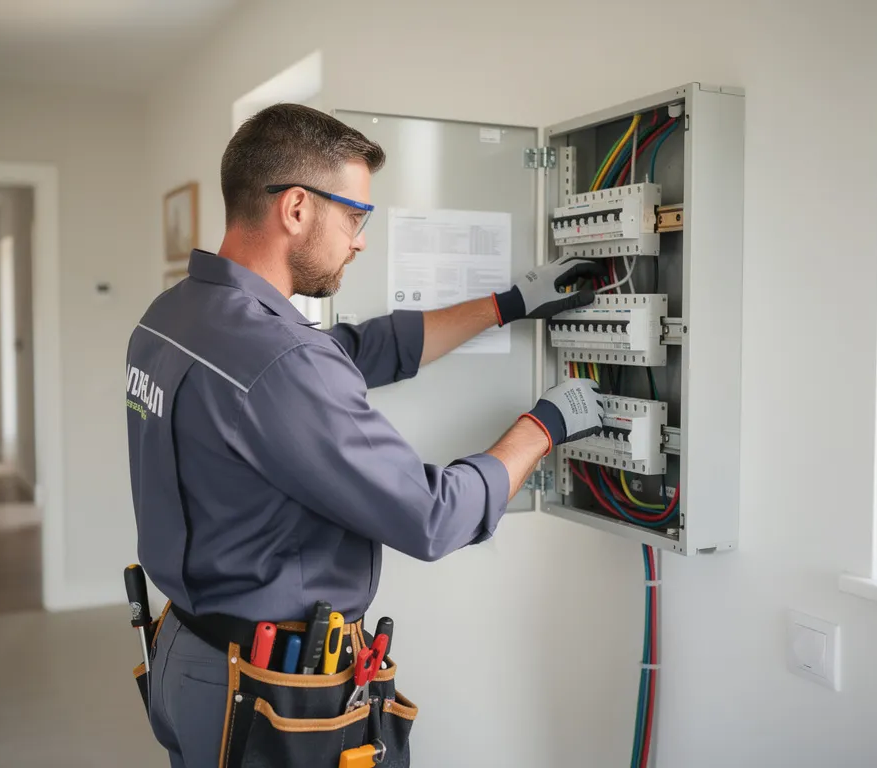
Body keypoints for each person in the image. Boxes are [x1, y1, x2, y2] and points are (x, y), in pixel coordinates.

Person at [125, 103, 606, 768]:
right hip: (268, 692)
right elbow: (432, 517)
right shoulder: (279, 360)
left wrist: (509, 304)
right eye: (355, 217)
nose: (360, 240)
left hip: (186, 652)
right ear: (296, 208)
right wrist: (542, 428)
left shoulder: (175, 315)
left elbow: (353, 349)